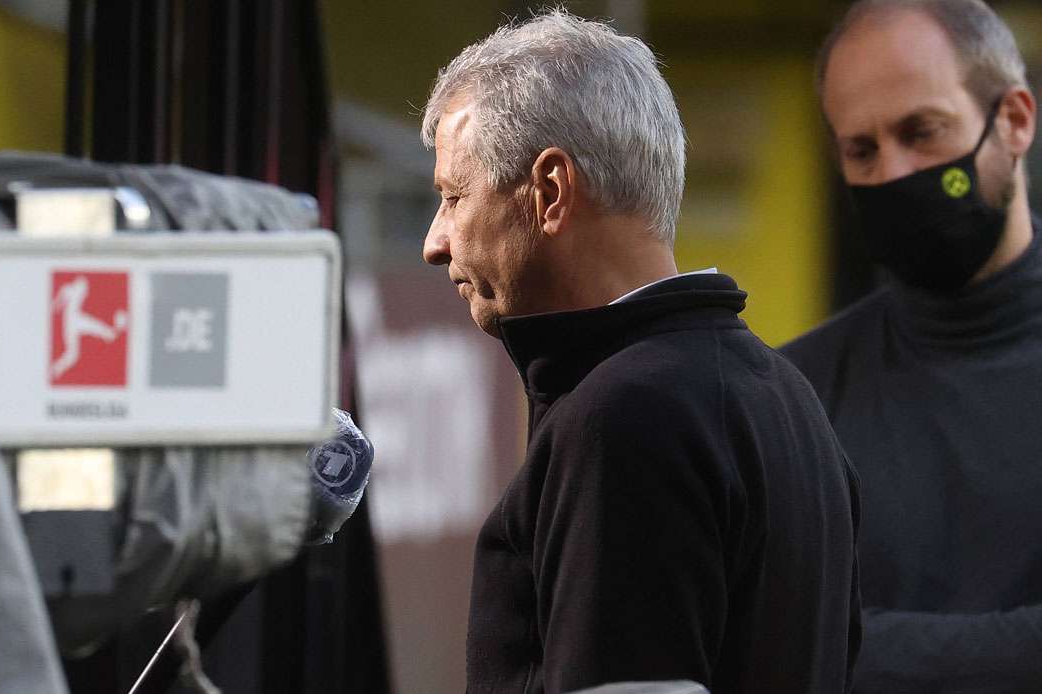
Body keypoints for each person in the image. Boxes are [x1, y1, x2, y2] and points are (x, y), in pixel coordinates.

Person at [420, 10, 861, 693]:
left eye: (454, 196)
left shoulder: (624, 415)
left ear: (550, 191)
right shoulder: (788, 397)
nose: (436, 241)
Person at [780, 1, 1042, 691]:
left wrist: (862, 650)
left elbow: (815, 651)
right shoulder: (793, 397)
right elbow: (764, 645)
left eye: (921, 132)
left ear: (1014, 121)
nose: (895, 174)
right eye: (861, 150)